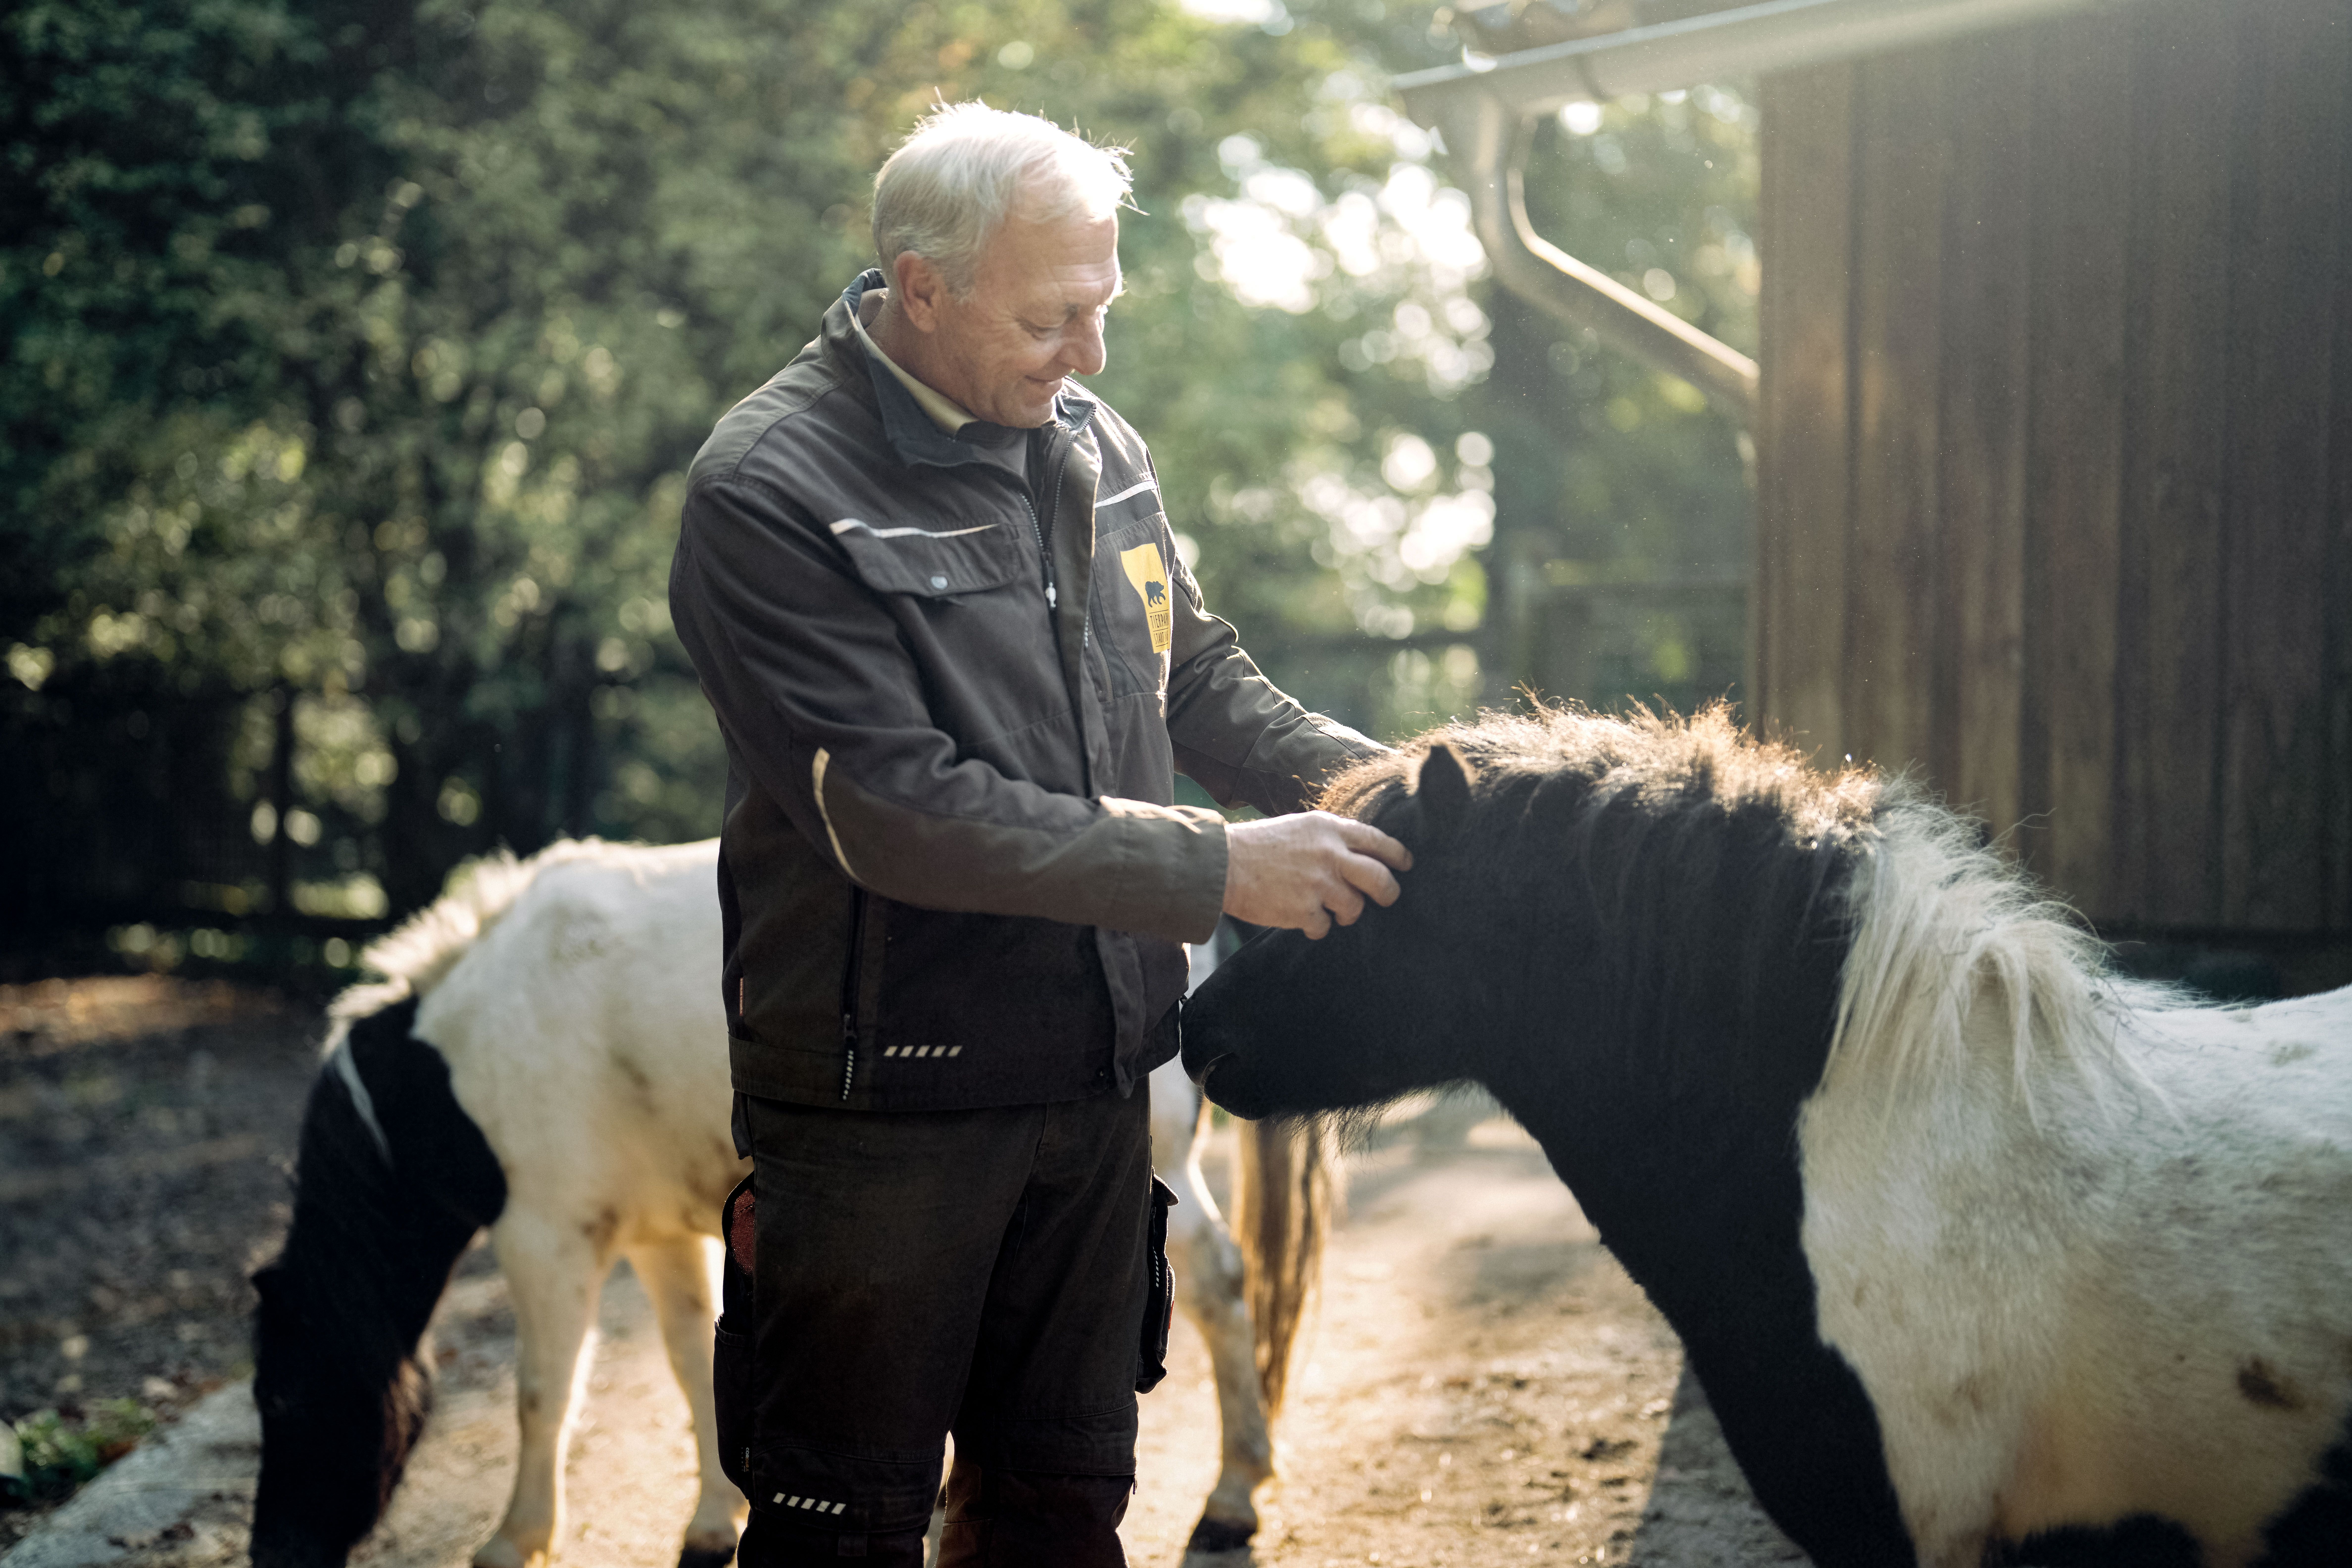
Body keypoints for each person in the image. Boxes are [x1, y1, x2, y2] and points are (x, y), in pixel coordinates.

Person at [667, 102, 1410, 1567]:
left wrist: (1401, 784)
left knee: (1060, 1516)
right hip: (886, 1120)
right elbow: (900, 811)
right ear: (920, 287)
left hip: (1092, 1096)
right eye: (1053, 315)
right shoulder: (769, 490)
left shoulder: (1088, 440)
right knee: (842, 1529)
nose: (1091, 354)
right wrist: (1216, 868)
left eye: (1104, 307)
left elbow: (1195, 678)